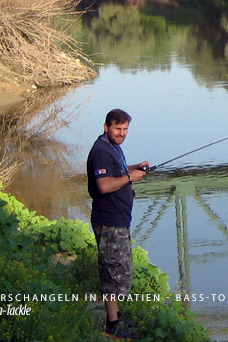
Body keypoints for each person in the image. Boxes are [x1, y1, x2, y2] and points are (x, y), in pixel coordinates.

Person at [86, 109, 151, 340]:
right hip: (110, 222)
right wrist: (130, 177)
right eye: (117, 129)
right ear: (106, 127)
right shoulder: (102, 151)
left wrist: (134, 168)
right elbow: (103, 185)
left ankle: (114, 318)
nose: (121, 134)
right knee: (117, 273)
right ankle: (112, 325)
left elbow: (117, 172)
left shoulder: (112, 146)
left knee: (112, 270)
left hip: (118, 220)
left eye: (125, 130)